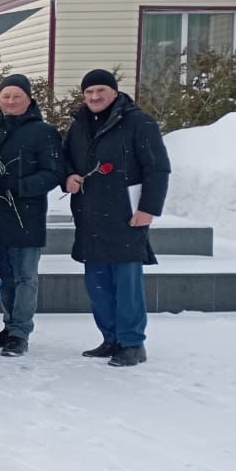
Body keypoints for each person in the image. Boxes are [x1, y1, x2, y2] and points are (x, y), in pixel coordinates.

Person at [62, 69, 170, 367]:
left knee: (127, 285)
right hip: (89, 217)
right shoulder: (79, 125)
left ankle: (132, 343)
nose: (95, 97)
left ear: (114, 91)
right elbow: (66, 159)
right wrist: (68, 176)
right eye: (89, 92)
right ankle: (111, 338)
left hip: (126, 217)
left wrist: (148, 209)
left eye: (100, 90)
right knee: (97, 285)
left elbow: (157, 168)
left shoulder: (138, 122)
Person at [0, 74, 63, 358]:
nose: (10, 101)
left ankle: (20, 332)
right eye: (5, 96)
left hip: (26, 215)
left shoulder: (44, 132)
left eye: (16, 96)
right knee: (4, 276)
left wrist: (21, 187)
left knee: (26, 277)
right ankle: (8, 326)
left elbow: (53, 173)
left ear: (28, 99)